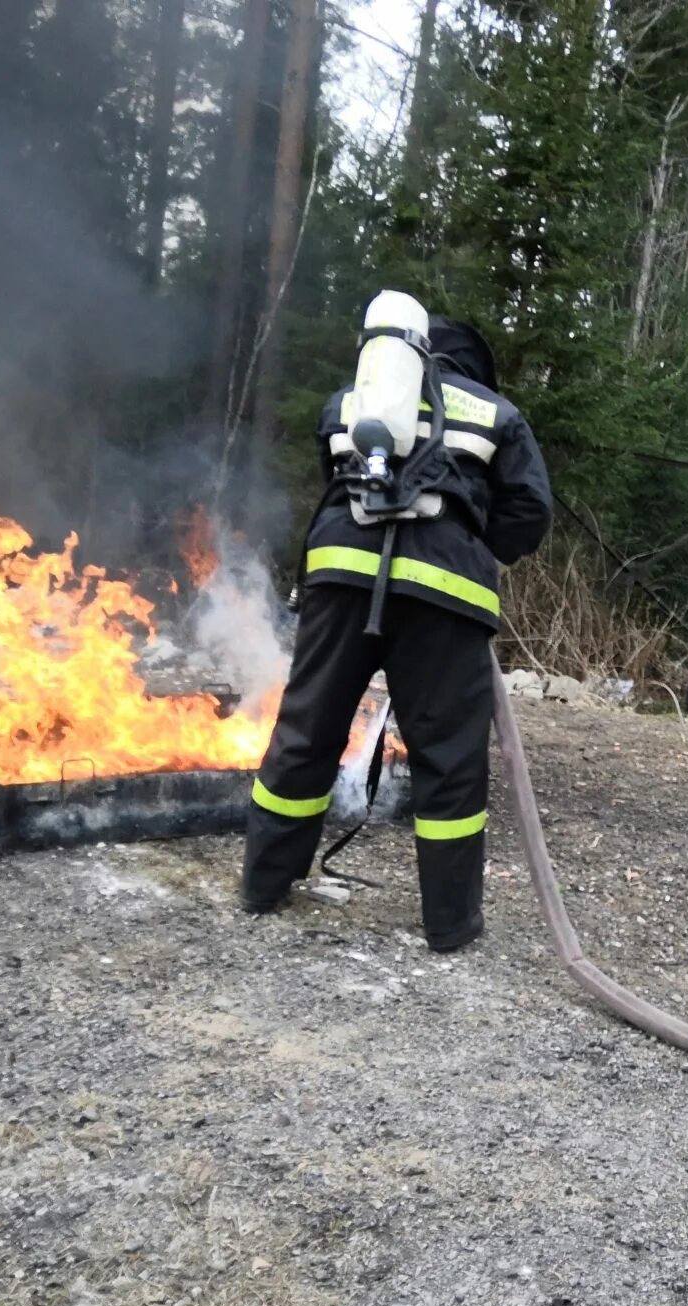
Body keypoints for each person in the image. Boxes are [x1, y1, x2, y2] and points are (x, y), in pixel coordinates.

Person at [241, 301, 553, 947]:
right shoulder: (497, 414)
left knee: (306, 732)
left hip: (338, 581)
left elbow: (337, 479)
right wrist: (470, 533)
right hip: (444, 595)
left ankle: (263, 884)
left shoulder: (347, 402)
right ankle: (449, 923)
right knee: (448, 761)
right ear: (474, 365)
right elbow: (529, 513)